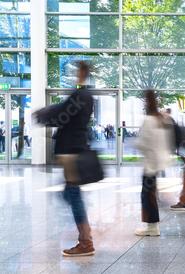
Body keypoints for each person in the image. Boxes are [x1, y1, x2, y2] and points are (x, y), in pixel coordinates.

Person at [34, 61, 95, 256]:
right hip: (74, 149)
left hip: (71, 151)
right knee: (70, 192)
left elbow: (62, 114)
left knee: (72, 194)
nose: (75, 74)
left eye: (77, 71)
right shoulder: (87, 96)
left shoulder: (80, 95)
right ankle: (86, 234)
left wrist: (42, 115)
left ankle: (85, 240)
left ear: (82, 73)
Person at [134, 90, 174, 236]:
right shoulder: (160, 119)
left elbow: (143, 143)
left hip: (150, 164)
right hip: (157, 162)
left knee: (147, 195)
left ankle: (152, 227)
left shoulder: (149, 120)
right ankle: (152, 226)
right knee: (150, 194)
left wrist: (135, 143)